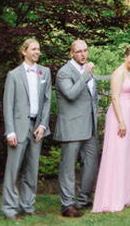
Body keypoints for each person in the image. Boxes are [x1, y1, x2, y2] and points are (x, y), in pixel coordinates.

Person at [1, 37, 51, 220]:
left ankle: (28, 206)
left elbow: (47, 101)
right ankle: (9, 209)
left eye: (38, 49)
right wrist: (10, 131)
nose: (37, 52)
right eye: (33, 49)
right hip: (19, 128)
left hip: (37, 129)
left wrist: (43, 125)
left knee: (32, 169)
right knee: (13, 170)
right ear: (24, 51)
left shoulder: (44, 73)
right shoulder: (13, 75)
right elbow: (8, 105)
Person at [55, 38, 99, 218]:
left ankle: (83, 199)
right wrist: (86, 74)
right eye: (79, 51)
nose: (83, 54)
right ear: (71, 53)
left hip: (90, 126)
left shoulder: (86, 71)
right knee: (68, 167)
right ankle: (67, 204)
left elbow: (92, 98)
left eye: (85, 50)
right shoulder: (64, 72)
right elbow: (71, 94)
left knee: (91, 163)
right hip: (71, 126)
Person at [93, 46, 130, 213]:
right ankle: (111, 197)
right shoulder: (118, 73)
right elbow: (114, 97)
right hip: (118, 114)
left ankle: (123, 195)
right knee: (116, 153)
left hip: (129, 112)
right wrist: (121, 121)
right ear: (125, 56)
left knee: (126, 154)